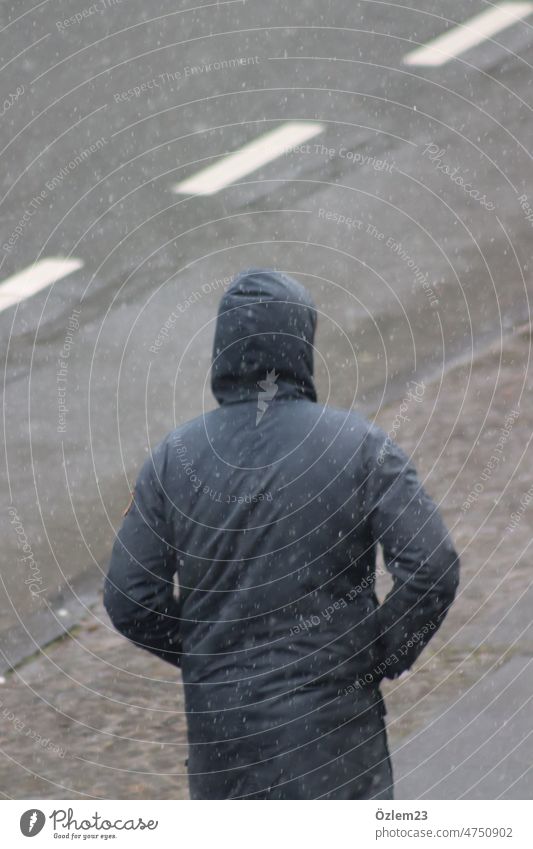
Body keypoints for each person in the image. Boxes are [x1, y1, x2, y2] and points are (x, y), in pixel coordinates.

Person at [104, 268, 459, 799]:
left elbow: (131, 598)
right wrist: (377, 654)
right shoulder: (359, 447)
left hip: (224, 749)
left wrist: (209, 656)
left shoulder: (173, 460)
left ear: (223, 351)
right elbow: (431, 566)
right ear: (300, 345)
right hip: (333, 742)